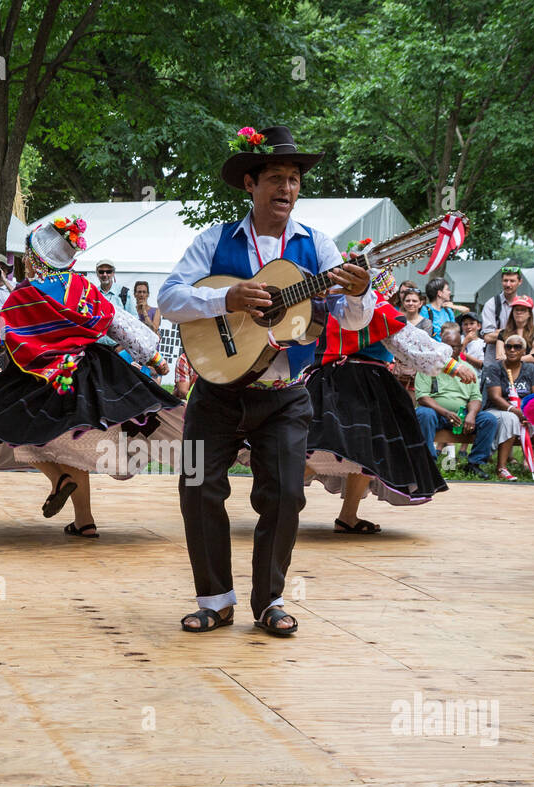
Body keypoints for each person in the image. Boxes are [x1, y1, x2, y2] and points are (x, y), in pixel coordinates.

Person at [158, 125, 373, 636]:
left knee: (284, 497)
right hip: (215, 390)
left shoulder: (317, 245)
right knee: (196, 486)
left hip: (285, 395)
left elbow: (351, 319)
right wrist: (224, 300)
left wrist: (361, 293)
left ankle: (269, 601)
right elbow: (168, 298)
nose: (287, 189)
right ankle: (215, 598)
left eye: (295, 179)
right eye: (276, 178)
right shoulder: (213, 241)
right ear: (250, 184)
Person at [0, 214, 176, 538]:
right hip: (87, 378)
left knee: (22, 433)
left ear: (35, 259)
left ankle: (59, 482)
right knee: (72, 447)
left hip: (37, 378)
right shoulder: (84, 288)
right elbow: (118, 322)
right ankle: (84, 521)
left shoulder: (25, 295)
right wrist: (152, 355)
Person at [301, 257, 476, 532]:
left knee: (344, 451)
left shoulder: (332, 305)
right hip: (362, 385)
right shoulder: (376, 310)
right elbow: (408, 343)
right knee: (344, 450)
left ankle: (325, 510)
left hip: (328, 381)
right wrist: (452, 365)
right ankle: (288, 497)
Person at [415, 324, 499, 477]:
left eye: (454, 347)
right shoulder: (429, 366)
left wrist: (471, 414)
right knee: (423, 413)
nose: (450, 350)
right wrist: (445, 412)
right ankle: (428, 463)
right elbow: (422, 397)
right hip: (437, 413)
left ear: (461, 348)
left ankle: (474, 464)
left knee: (489, 419)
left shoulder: (467, 368)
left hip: (462, 415)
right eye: (447, 346)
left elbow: (475, 398)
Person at [482, 335, 534, 480]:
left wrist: (530, 413)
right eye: (509, 347)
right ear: (505, 350)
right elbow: (495, 397)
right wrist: (517, 412)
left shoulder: (530, 369)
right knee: (511, 418)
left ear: (523, 351)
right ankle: (501, 468)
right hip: (497, 410)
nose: (512, 350)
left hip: (524, 410)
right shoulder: (494, 368)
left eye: (517, 347)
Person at [480, 265, 534, 348]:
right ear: (501, 281)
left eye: (512, 281)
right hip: (494, 359)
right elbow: (488, 337)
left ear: (520, 282)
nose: (508, 284)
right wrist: (520, 332)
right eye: (505, 280)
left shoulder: (526, 303)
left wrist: (501, 333)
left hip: (521, 358)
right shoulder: (492, 304)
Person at [499, 295, 534, 362]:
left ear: (529, 314)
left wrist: (511, 358)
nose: (519, 312)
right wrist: (525, 358)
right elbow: (499, 357)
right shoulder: (503, 333)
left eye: (523, 310)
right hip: (507, 371)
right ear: (512, 313)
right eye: (516, 309)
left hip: (529, 371)